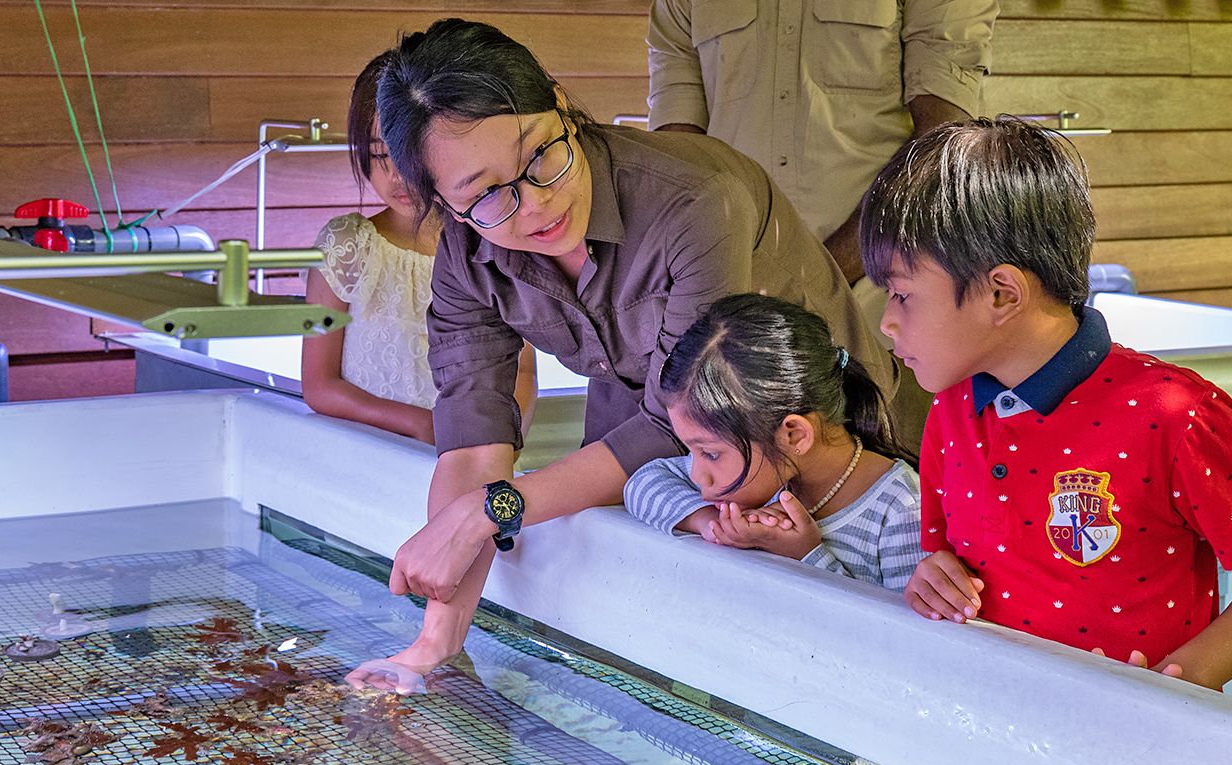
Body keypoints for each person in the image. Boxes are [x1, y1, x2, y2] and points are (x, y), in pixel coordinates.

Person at [345, 18, 891, 692]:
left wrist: (494, 510)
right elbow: (473, 444)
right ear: (447, 208)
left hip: (826, 447)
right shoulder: (467, 255)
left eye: (540, 156)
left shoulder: (693, 199)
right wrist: (433, 645)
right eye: (485, 195)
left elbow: (677, 419)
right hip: (680, 455)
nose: (536, 205)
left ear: (561, 103)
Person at [862, 117, 1232, 690]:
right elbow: (944, 563)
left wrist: (1183, 679)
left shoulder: (1174, 416)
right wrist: (931, 580)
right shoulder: (952, 409)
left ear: (1002, 294)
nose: (886, 321)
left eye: (902, 294)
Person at [646, 0, 997, 331]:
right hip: (738, 317)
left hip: (882, 311)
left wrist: (814, 279)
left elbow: (943, 144)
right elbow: (677, 161)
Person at [300, 52, 537, 443]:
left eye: (410, 154)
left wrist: (501, 442)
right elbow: (319, 385)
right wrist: (422, 424)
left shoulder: (493, 242)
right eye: (380, 154)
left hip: (468, 455)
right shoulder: (346, 245)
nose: (398, 175)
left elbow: (522, 372)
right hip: (368, 457)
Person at [623, 294, 927, 591]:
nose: (697, 475)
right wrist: (713, 523)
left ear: (794, 435)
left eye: (710, 454)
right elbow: (642, 483)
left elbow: (900, 625)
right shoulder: (766, 474)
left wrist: (806, 557)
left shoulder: (903, 510)